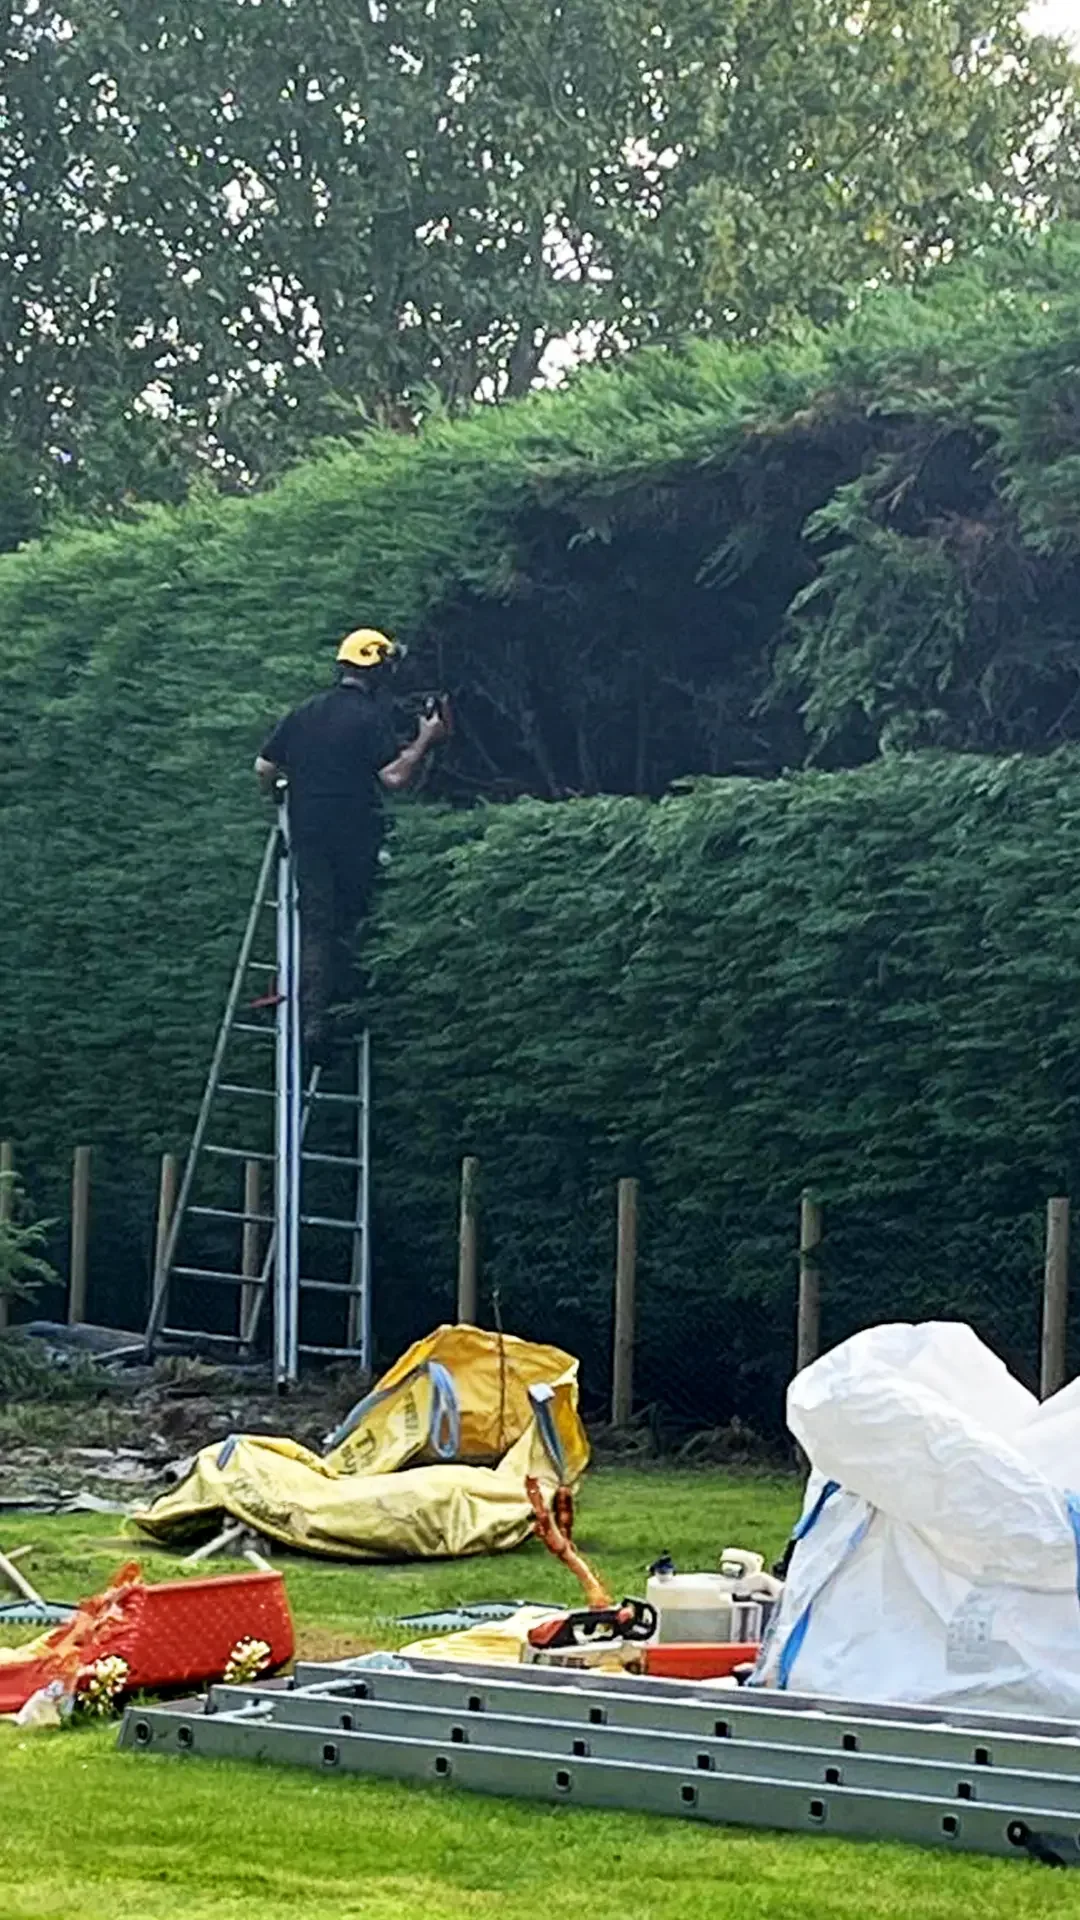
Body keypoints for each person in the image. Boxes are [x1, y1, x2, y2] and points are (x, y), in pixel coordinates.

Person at [254, 627, 447, 1064]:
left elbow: (264, 765)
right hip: (355, 836)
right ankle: (345, 1015)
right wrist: (424, 741)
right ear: (378, 669)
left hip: (306, 833)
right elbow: (394, 778)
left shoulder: (305, 712)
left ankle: (311, 1018)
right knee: (355, 919)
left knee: (317, 923)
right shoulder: (369, 718)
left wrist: (277, 796)